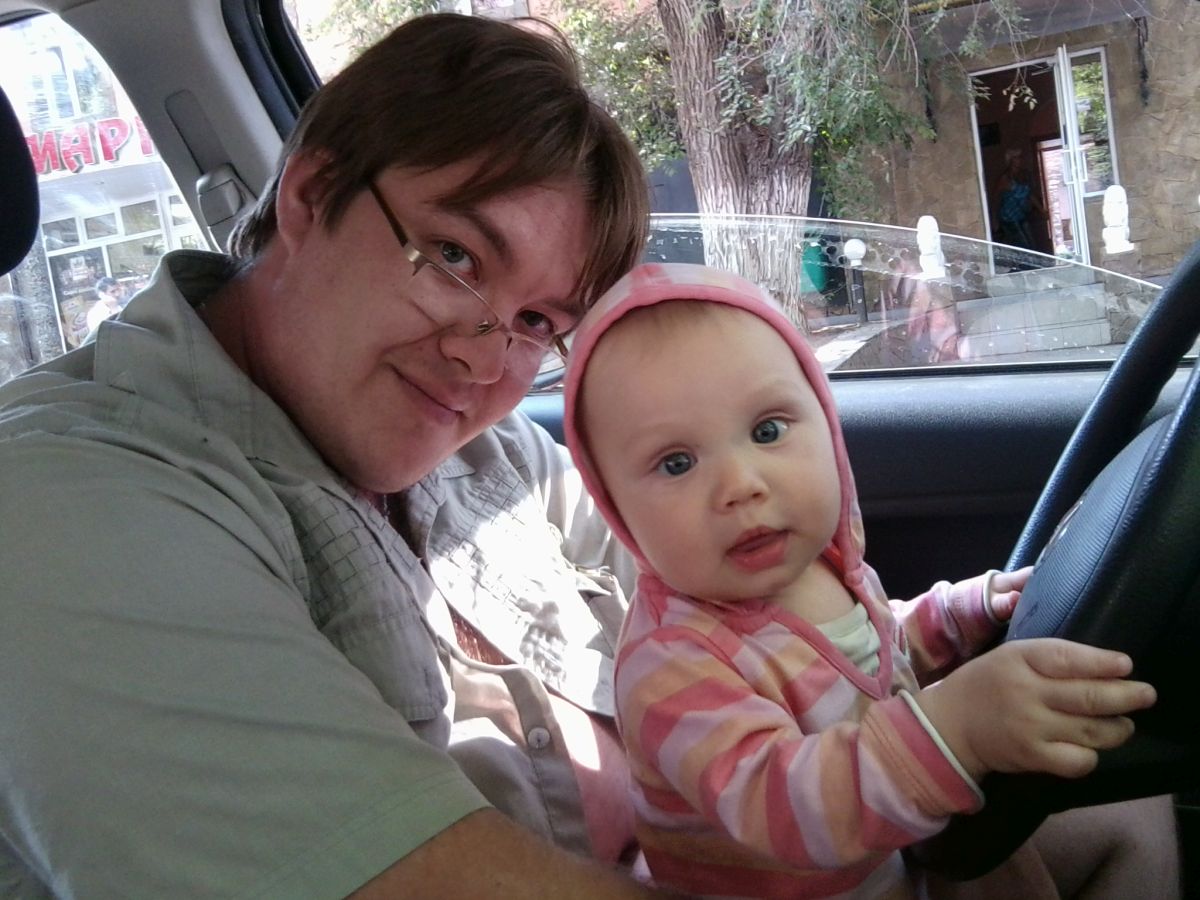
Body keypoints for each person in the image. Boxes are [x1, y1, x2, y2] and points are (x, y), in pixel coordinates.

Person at [0, 14, 671, 897]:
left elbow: (744, 600)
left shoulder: (497, 456)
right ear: (313, 194)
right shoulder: (67, 507)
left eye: (537, 322)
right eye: (455, 257)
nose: (483, 361)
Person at [562, 262, 1166, 898]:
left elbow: (873, 655)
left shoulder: (824, 567)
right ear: (615, 508)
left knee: (1132, 800)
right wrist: (957, 730)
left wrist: (959, 613)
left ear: (826, 424)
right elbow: (782, 806)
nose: (740, 485)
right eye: (676, 463)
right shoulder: (670, 665)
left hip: (898, 853)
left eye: (767, 431)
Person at [994, 147, 1046, 253]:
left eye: (1020, 157)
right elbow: (995, 197)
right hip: (1009, 218)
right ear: (1011, 160)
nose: (1020, 160)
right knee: (1023, 246)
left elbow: (1030, 194)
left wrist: (1042, 210)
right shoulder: (1005, 178)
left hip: (1022, 215)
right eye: (1017, 157)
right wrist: (994, 219)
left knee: (1032, 245)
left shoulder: (1023, 175)